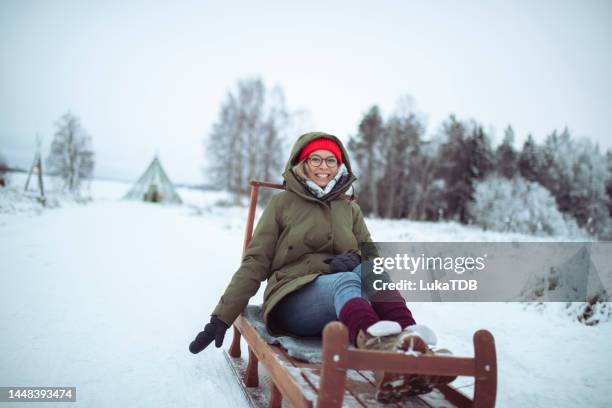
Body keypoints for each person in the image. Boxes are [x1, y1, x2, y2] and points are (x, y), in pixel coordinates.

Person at [190, 132, 451, 401]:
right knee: (345, 281)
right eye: (316, 159)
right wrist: (220, 318)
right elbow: (255, 262)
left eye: (331, 161)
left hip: (342, 305)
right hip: (292, 301)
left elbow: (371, 256)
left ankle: (411, 343)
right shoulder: (282, 204)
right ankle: (380, 352)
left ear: (340, 166)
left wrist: (358, 260)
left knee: (372, 271)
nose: (324, 167)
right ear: (302, 163)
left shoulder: (349, 209)